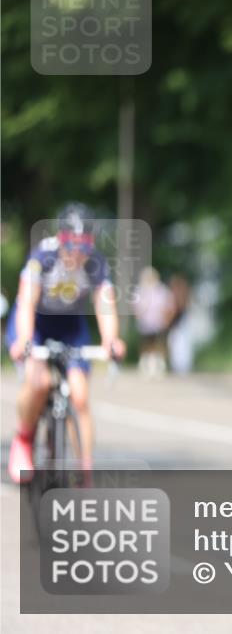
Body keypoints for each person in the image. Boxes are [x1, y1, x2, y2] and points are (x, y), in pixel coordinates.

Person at [5, 203, 126, 484]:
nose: (77, 252)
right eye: (71, 244)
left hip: (70, 327)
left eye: (84, 245)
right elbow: (26, 303)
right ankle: (23, 438)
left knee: (80, 395)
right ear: (61, 239)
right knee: (39, 382)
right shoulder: (42, 258)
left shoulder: (96, 263)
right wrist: (24, 340)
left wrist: (111, 340)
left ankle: (85, 471)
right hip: (36, 324)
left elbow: (104, 303)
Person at [131, 266, 175, 378]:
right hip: (145, 324)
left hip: (159, 323)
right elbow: (135, 307)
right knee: (146, 345)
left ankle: (159, 366)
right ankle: (145, 366)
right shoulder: (140, 290)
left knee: (159, 345)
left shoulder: (162, 290)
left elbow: (169, 306)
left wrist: (166, 319)